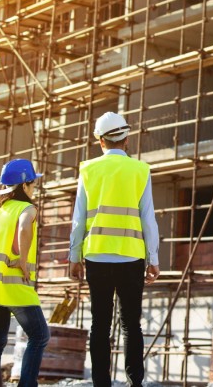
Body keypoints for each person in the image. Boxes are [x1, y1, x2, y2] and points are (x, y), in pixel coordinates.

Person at [70, 111, 160, 387]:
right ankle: (135, 383)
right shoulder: (140, 170)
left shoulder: (88, 170)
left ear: (100, 140)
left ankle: (101, 384)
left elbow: (78, 218)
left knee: (100, 324)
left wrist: (74, 256)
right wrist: (152, 258)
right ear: (127, 138)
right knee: (131, 324)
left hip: (96, 256)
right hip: (131, 257)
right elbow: (148, 218)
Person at [0, 159, 50, 387]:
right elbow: (23, 226)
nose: (34, 187)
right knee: (39, 336)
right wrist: (21, 258)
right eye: (32, 183)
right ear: (24, 184)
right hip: (15, 285)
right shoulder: (27, 208)